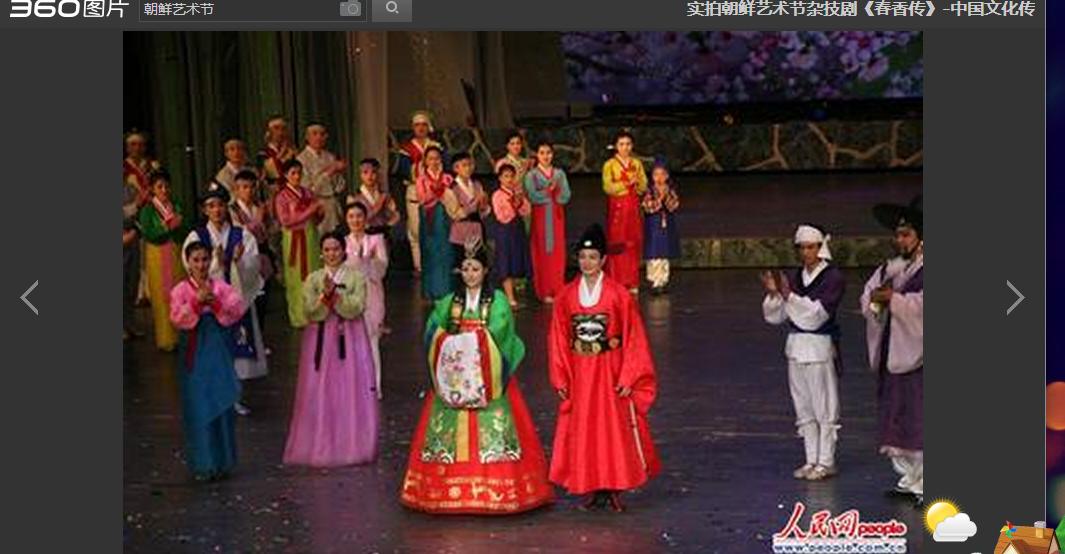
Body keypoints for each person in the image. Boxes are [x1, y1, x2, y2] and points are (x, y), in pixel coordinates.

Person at [400, 237, 553, 514]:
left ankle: (499, 489)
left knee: (495, 430)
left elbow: (501, 330)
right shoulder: (450, 301)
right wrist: (448, 342)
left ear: (485, 271)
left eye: (475, 269)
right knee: (445, 432)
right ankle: (443, 488)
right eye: (466, 269)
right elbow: (433, 329)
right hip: (455, 377)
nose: (470, 274)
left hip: (488, 377)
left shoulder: (498, 301)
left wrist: (469, 343)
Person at [548, 224, 660, 512]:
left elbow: (634, 337)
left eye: (593, 257)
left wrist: (629, 375)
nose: (587, 262)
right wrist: (560, 377)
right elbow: (558, 338)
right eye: (582, 257)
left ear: (603, 260)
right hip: (581, 371)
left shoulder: (618, 295)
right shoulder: (566, 296)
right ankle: (592, 486)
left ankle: (612, 487)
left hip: (609, 370)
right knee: (584, 429)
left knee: (611, 429)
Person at [283, 232, 379, 467]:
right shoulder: (313, 279)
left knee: (349, 389)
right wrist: (324, 298)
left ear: (343, 251)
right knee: (319, 390)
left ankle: (351, 444)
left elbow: (357, 307)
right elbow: (309, 310)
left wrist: (336, 298)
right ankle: (320, 443)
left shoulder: (356, 277)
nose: (331, 254)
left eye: (335, 249)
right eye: (327, 250)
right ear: (321, 253)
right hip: (321, 340)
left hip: (350, 340)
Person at [761, 224, 845, 482]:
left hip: (818, 348)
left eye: (811, 247)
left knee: (824, 407)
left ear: (820, 248)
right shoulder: (796, 277)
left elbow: (816, 315)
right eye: (802, 248)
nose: (806, 252)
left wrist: (789, 296)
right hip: (796, 348)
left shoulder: (832, 277)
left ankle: (826, 460)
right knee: (804, 407)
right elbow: (775, 316)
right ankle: (811, 459)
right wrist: (775, 295)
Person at [860, 196, 924, 506]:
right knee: (896, 414)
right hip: (894, 349)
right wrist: (876, 299)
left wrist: (895, 301)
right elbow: (868, 296)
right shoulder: (891, 269)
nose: (900, 241)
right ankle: (909, 479)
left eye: (906, 234)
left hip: (919, 355)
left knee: (920, 415)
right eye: (897, 235)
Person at [183, 182, 266, 415]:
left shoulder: (242, 234)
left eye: (220, 205)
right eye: (211, 206)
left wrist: (239, 261)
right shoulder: (196, 236)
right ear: (204, 210)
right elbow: (190, 267)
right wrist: (215, 264)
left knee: (234, 349)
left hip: (235, 302)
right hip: (209, 303)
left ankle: (233, 397)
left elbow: (254, 267)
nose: (216, 210)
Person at [169, 241, 246, 480]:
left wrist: (215, 303)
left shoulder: (221, 287)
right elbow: (176, 318)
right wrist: (195, 302)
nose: (201, 265)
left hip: (217, 349)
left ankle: (222, 461)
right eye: (196, 260)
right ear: (188, 262)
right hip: (194, 351)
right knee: (198, 404)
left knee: (221, 400)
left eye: (205, 259)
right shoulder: (181, 290)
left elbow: (236, 310)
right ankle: (204, 463)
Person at [343, 201, 389, 399]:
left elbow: (382, 268)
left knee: (372, 341)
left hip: (372, 294)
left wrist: (369, 261)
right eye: (351, 216)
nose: (356, 220)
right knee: (349, 341)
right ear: (346, 219)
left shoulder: (376, 240)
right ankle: (351, 385)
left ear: (365, 218)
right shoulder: (343, 243)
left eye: (359, 216)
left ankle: (374, 386)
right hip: (350, 295)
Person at [138, 170, 186, 351]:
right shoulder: (148, 210)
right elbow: (148, 233)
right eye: (159, 187)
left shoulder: (176, 205)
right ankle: (166, 338)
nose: (164, 190)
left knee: (179, 292)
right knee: (161, 295)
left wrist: (178, 227)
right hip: (157, 254)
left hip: (175, 252)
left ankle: (182, 335)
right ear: (152, 189)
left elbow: (185, 228)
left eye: (166, 186)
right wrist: (166, 228)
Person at [275, 159, 323, 328]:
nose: (297, 176)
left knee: (314, 273)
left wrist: (319, 213)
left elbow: (315, 219)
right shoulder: (281, 197)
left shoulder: (308, 193)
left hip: (310, 237)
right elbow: (285, 221)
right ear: (285, 175)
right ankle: (299, 316)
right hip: (294, 240)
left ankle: (315, 313)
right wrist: (310, 210)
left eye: (299, 173)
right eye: (293, 173)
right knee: (295, 278)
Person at [524, 142, 572, 303]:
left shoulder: (559, 174)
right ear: (537, 155)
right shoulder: (531, 175)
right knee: (542, 252)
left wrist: (556, 194)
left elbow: (566, 195)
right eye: (542, 153)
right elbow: (532, 196)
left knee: (557, 251)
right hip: (541, 217)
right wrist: (549, 192)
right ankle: (544, 291)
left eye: (548, 152)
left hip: (557, 216)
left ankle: (558, 288)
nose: (546, 156)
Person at [230, 170, 276, 335]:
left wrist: (268, 218)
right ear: (236, 189)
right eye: (243, 187)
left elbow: (272, 229)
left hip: (262, 254)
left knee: (262, 298)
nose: (248, 191)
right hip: (243, 256)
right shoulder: (232, 210)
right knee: (245, 298)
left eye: (251, 187)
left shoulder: (259, 207)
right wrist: (257, 222)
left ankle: (260, 337)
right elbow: (238, 232)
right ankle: (246, 336)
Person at [602, 131, 648, 294]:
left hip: (633, 207)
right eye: (621, 144)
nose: (625, 147)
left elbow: (643, 186)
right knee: (617, 242)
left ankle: (632, 281)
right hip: (618, 208)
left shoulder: (637, 163)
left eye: (628, 144)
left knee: (633, 242)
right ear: (616, 146)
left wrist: (637, 183)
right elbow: (608, 187)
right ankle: (617, 281)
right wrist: (626, 183)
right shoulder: (609, 165)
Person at [397, 111, 442, 273]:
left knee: (436, 228)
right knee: (416, 230)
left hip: (435, 191)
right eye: (417, 125)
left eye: (423, 125)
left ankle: (436, 262)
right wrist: (419, 168)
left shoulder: (436, 146)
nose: (421, 128)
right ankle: (419, 265)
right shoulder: (407, 149)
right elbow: (403, 172)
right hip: (415, 191)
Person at [416, 146, 456, 301]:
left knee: (446, 252)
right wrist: (436, 192)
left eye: (437, 158)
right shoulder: (421, 179)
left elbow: (453, 196)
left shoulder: (447, 178)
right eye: (431, 158)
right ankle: (431, 290)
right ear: (425, 161)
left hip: (446, 216)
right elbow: (422, 199)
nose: (434, 162)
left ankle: (446, 289)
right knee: (430, 252)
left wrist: (443, 192)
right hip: (429, 218)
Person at [490, 164, 532, 308]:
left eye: (511, 176)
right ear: (500, 178)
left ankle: (512, 295)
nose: (509, 179)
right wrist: (514, 207)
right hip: (505, 231)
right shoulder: (497, 195)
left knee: (516, 261)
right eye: (506, 176)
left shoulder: (517, 192)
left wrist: (520, 202)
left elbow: (527, 210)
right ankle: (510, 298)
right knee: (505, 262)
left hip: (517, 230)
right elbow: (501, 216)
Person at [297, 124, 348, 234]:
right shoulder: (301, 160)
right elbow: (306, 189)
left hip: (332, 206)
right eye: (315, 134)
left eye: (322, 134)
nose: (319, 137)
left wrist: (339, 172)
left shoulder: (330, 157)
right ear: (307, 137)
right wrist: (328, 173)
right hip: (316, 206)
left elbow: (339, 186)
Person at [641, 162, 681, 294]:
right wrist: (659, 200)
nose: (659, 178)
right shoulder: (649, 190)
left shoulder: (670, 189)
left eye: (662, 174)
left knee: (664, 254)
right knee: (654, 254)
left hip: (666, 225)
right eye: (656, 174)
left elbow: (674, 205)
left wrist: (667, 198)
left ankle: (663, 280)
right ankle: (655, 281)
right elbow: (647, 206)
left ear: (667, 176)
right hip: (653, 225)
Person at [446, 152, 491, 265]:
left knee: (479, 265)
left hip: (477, 230)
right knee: (463, 266)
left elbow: (482, 211)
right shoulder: (452, 189)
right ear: (456, 168)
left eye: (470, 165)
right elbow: (455, 214)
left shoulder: (477, 184)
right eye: (464, 165)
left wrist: (484, 205)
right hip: (460, 232)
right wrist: (475, 202)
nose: (468, 168)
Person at [494, 131, 534, 230]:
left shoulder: (525, 161)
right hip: (508, 201)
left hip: (524, 201)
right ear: (507, 146)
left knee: (527, 230)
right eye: (512, 144)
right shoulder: (502, 163)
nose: (516, 146)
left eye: (518, 143)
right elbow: (504, 184)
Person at [354, 158, 400, 235]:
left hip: (383, 233)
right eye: (365, 172)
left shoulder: (383, 195)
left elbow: (394, 215)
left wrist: (388, 223)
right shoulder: (355, 197)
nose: (370, 176)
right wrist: (379, 204)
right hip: (364, 234)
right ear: (360, 175)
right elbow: (357, 219)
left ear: (378, 174)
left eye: (373, 172)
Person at [258, 116, 298, 194]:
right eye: (276, 128)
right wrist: (281, 154)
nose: (280, 132)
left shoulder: (291, 152)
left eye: (283, 129)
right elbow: (269, 172)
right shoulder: (263, 153)